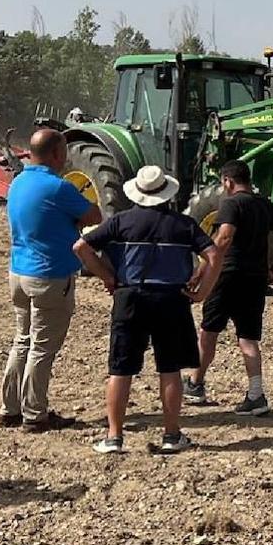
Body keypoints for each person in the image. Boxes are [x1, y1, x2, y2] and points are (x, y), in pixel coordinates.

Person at [74, 165, 218, 454]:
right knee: (170, 369)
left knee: (120, 369)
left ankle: (114, 436)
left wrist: (107, 276)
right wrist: (201, 291)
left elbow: (81, 247)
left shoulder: (120, 222)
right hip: (171, 299)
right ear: (166, 193)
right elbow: (213, 255)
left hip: (130, 297)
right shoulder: (183, 224)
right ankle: (171, 434)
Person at [0, 128, 102, 433]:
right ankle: (35, 414)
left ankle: (10, 408)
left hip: (18, 272)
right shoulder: (59, 188)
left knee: (22, 341)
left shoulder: (17, 183)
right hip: (50, 275)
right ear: (57, 154)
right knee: (42, 348)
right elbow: (94, 215)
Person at [183, 160, 273, 415]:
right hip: (256, 278)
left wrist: (201, 271)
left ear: (228, 182)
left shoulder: (231, 203)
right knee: (248, 338)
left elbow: (224, 237)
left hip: (228, 276)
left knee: (209, 332)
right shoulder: (265, 205)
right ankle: (256, 395)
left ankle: (196, 384)